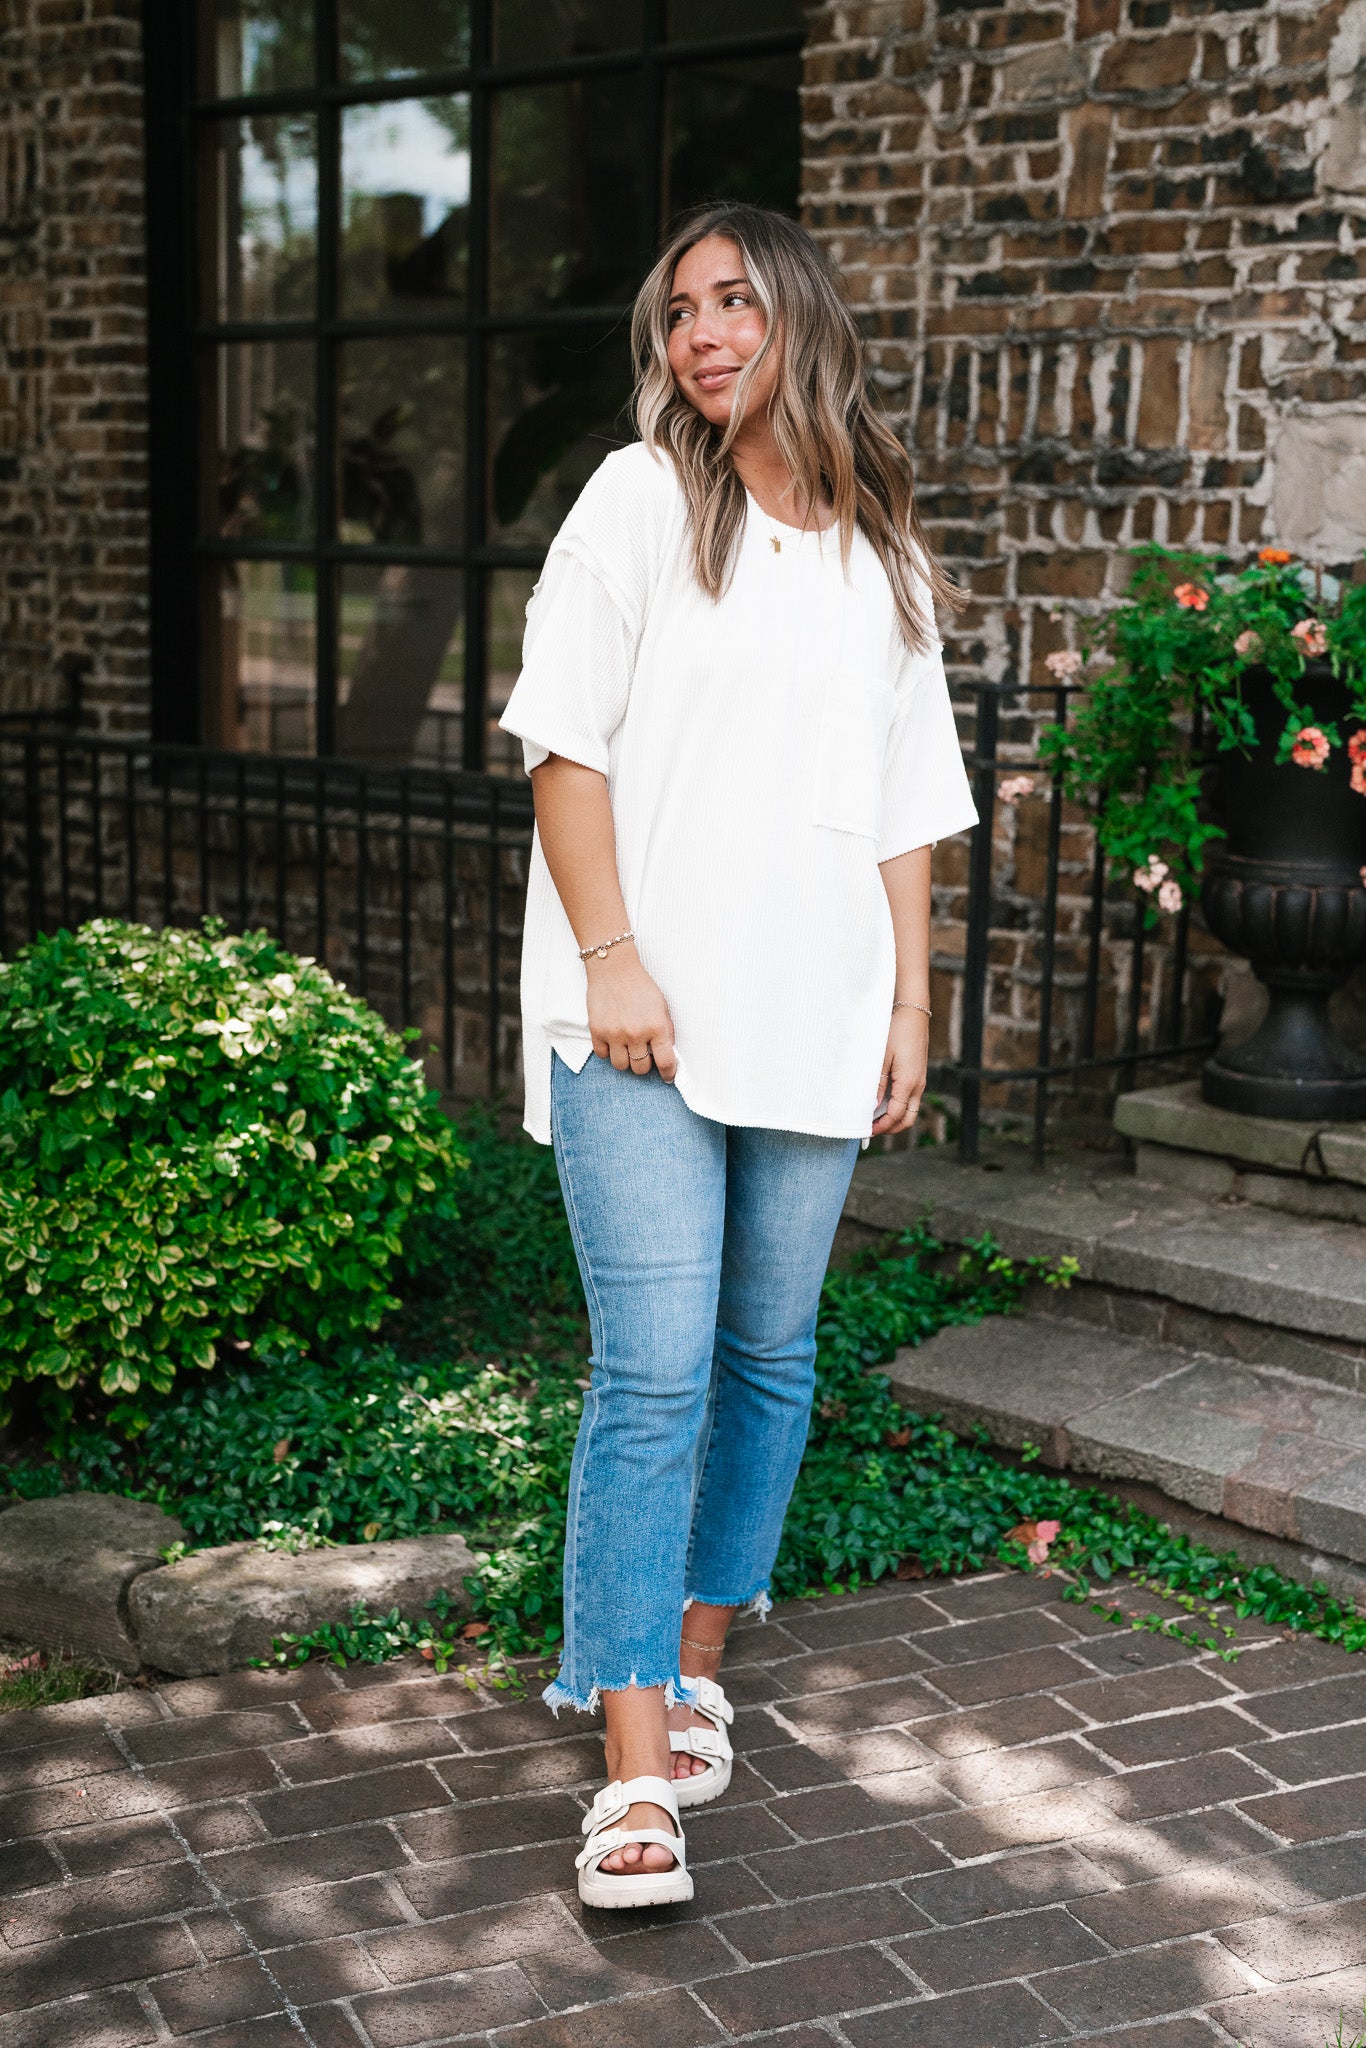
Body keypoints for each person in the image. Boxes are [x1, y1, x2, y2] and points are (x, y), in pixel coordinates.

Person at [498, 202, 976, 1908]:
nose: (701, 332)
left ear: (799, 317)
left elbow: (910, 813)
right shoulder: (636, 502)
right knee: (655, 1369)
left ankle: (691, 1663)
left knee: (769, 1357)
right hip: (631, 1016)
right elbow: (562, 745)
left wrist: (909, 1006)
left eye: (733, 301)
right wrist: (610, 958)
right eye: (679, 308)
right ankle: (629, 1775)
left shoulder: (881, 552)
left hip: (817, 1016)